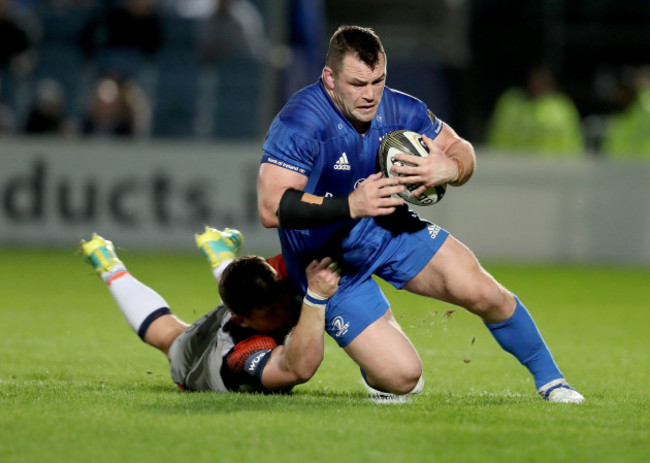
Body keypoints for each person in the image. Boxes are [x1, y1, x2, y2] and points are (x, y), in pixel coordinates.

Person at [257, 25, 584, 403]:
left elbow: (461, 149)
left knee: (484, 291)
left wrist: (451, 168)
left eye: (378, 80)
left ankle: (552, 382)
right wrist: (351, 205)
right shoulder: (301, 120)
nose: (370, 94)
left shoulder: (399, 107)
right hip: (327, 263)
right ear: (329, 78)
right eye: (357, 83)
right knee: (402, 378)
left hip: (387, 230)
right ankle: (375, 357)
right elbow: (271, 207)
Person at [81, 227, 340, 393]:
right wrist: (315, 298)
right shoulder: (245, 352)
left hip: (244, 307)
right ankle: (110, 267)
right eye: (272, 311)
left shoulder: (271, 292)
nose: (285, 310)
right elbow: (296, 369)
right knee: (169, 337)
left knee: (246, 288)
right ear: (243, 319)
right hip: (204, 362)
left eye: (282, 299)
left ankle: (220, 254)